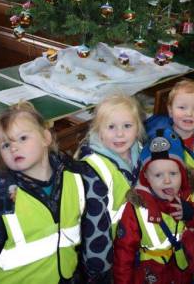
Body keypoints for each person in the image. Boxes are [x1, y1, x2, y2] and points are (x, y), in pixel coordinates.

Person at [0, 101, 85, 284]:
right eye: (5, 145)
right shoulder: (2, 194)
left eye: (23, 138)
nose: (13, 147)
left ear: (46, 138)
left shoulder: (73, 174)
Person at [113, 128, 194, 284]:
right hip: (151, 272)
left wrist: (191, 213)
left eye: (173, 173)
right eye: (158, 175)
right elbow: (123, 254)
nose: (167, 181)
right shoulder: (136, 209)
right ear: (146, 176)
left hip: (182, 267)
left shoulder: (190, 195)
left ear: (182, 173)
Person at [77, 93, 144, 284]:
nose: (120, 134)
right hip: (109, 253)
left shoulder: (139, 150)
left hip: (135, 243)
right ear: (99, 131)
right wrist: (100, 269)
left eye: (127, 126)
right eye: (111, 127)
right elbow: (94, 226)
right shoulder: (93, 170)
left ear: (138, 128)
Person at [145, 79, 194, 206]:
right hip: (173, 209)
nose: (189, 113)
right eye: (182, 107)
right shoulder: (160, 145)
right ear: (170, 110)